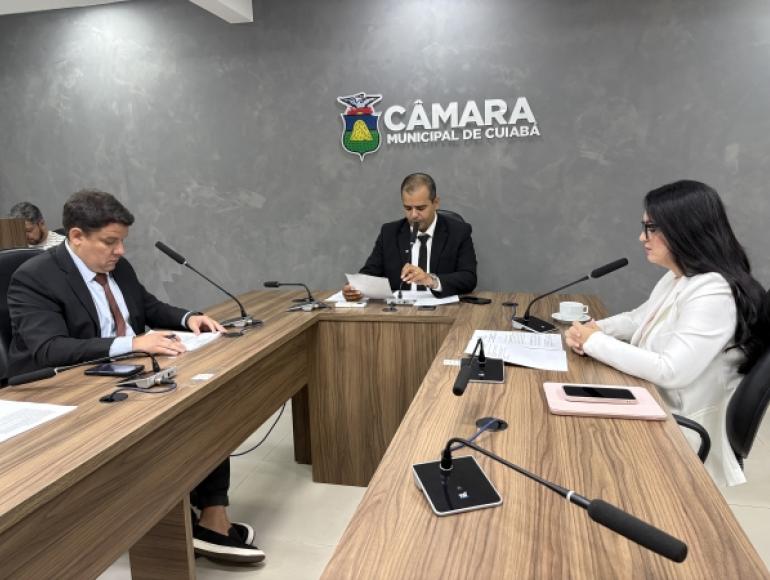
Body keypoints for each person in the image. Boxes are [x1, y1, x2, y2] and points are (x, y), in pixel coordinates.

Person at [7, 189, 265, 563]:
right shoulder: (35, 276)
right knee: (175, 420)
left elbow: (148, 306)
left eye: (122, 241)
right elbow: (49, 348)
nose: (120, 251)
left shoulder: (117, 267)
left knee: (206, 399)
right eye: (110, 242)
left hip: (123, 372)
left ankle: (210, 513)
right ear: (76, 236)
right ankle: (188, 522)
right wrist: (133, 343)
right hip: (65, 388)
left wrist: (188, 317)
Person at [564, 180, 767, 487]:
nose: (642, 237)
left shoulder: (713, 291)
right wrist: (596, 329)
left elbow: (671, 371)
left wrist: (594, 342)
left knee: (571, 441)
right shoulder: (682, 276)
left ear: (685, 229)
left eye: (652, 228)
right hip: (653, 401)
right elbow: (638, 318)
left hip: (676, 426)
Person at [343, 173, 477, 300]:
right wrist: (355, 288)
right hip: (399, 310)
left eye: (420, 208)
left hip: (442, 309)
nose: (413, 215)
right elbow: (369, 273)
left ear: (436, 202)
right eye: (408, 208)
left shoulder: (459, 232)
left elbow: (469, 278)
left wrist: (430, 280)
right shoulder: (389, 233)